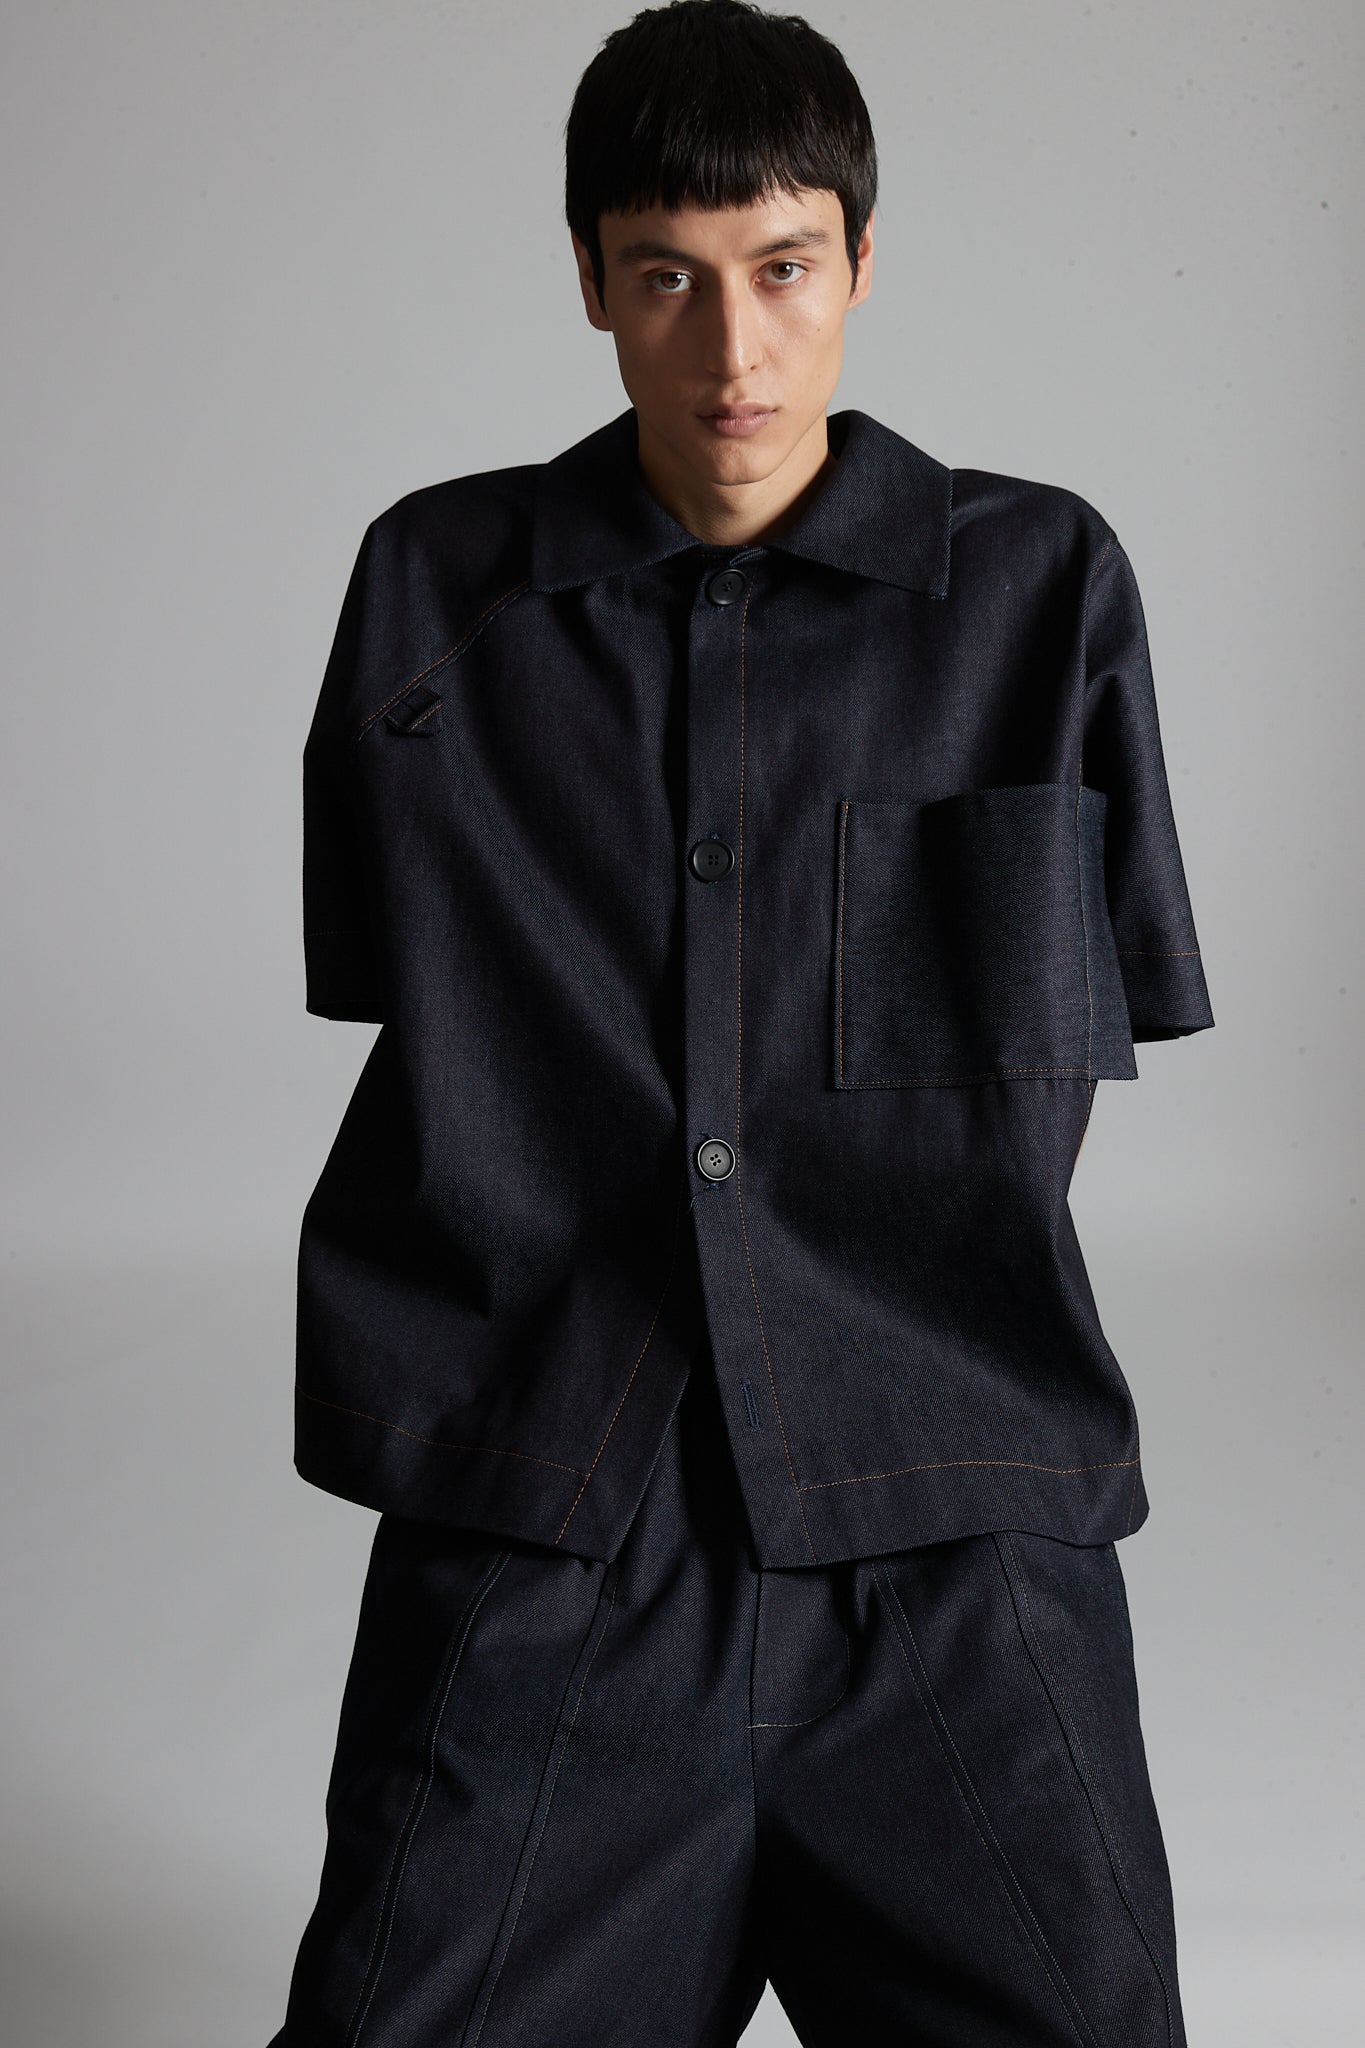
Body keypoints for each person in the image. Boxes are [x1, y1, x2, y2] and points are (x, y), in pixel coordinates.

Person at [269, 3, 1215, 2042]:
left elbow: (1093, 1011)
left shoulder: (1040, 589)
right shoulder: (435, 598)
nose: (730, 351)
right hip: (549, 1519)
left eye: (781, 269)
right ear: (589, 281)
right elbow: (396, 995)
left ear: (861, 260)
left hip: (951, 1525)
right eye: (664, 279)